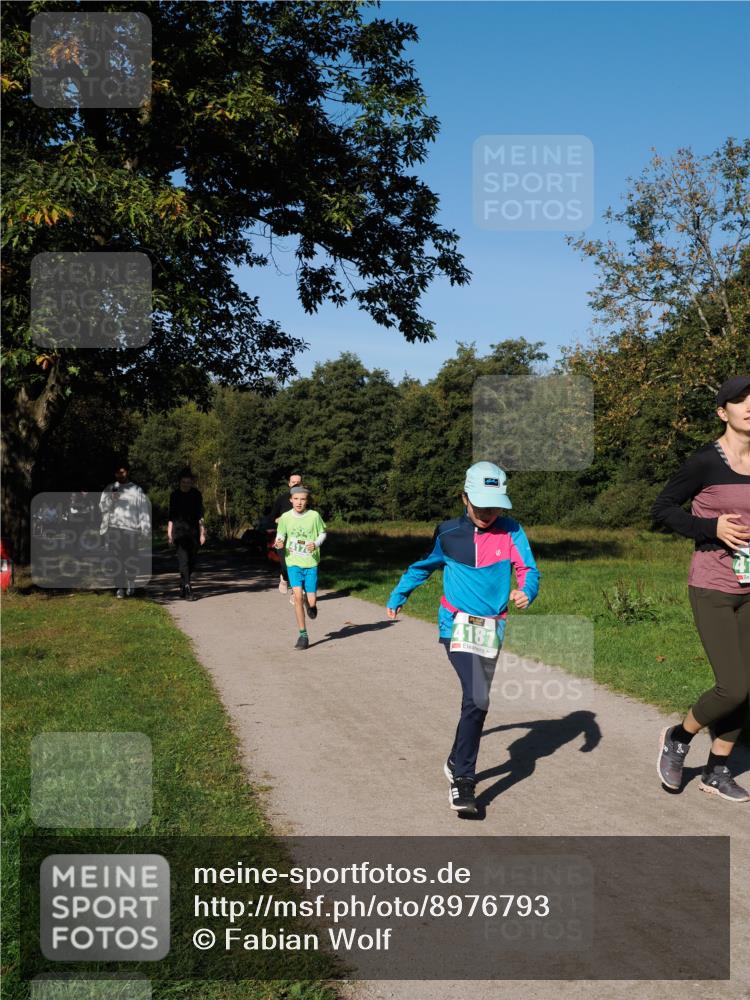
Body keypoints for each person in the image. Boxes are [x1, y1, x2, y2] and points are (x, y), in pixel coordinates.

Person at [386, 461, 540, 815]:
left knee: (476, 701)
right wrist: (398, 596)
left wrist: (526, 591)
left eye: (495, 506)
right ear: (464, 498)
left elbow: (528, 569)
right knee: (478, 696)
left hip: (492, 628)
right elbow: (420, 567)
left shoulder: (512, 531)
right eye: (481, 505)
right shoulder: (448, 534)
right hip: (454, 625)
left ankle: (457, 759)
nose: (488, 513)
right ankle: (464, 782)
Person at [652, 375, 750, 803]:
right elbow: (662, 509)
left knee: (749, 684)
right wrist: (710, 526)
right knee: (733, 685)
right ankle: (678, 735)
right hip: (712, 584)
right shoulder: (703, 463)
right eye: (740, 401)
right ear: (722, 411)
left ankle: (717, 769)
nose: (749, 407)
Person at [274, 485, 326, 650]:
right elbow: (280, 534)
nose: (299, 502)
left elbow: (323, 533)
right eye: (296, 499)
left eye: (302, 499)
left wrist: (316, 544)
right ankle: (303, 635)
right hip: (293, 562)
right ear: (291, 500)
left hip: (310, 563)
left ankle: (310, 604)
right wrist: (279, 542)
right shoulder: (285, 517)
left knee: (311, 601)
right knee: (297, 596)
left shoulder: (314, 516)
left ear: (307, 501)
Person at [99, 462, 151, 598]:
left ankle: (131, 583)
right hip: (114, 529)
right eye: (118, 473)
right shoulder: (110, 489)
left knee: (131, 559)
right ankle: (120, 588)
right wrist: (112, 499)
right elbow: (102, 508)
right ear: (115, 474)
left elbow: (143, 510)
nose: (120, 475)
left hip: (132, 530)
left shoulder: (136, 490)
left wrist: (145, 529)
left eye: (123, 472)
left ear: (127, 472)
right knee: (116, 559)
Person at [167, 468, 206, 600]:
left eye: (188, 482)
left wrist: (202, 533)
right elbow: (171, 516)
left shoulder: (196, 494)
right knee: (183, 560)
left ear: (191, 483)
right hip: (179, 532)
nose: (186, 484)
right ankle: (188, 588)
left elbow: (200, 515)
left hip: (193, 532)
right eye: (183, 482)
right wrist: (169, 533)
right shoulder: (174, 495)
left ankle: (183, 583)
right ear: (180, 482)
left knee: (192, 562)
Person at [270, 473, 303, 595]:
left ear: (301, 484)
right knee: (285, 564)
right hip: (284, 537)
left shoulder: (305, 499)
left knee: (299, 564)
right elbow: (272, 517)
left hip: (300, 537)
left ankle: (296, 593)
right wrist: (277, 519)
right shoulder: (282, 498)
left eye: (298, 482)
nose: (295, 483)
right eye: (293, 482)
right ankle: (284, 578)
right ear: (289, 484)